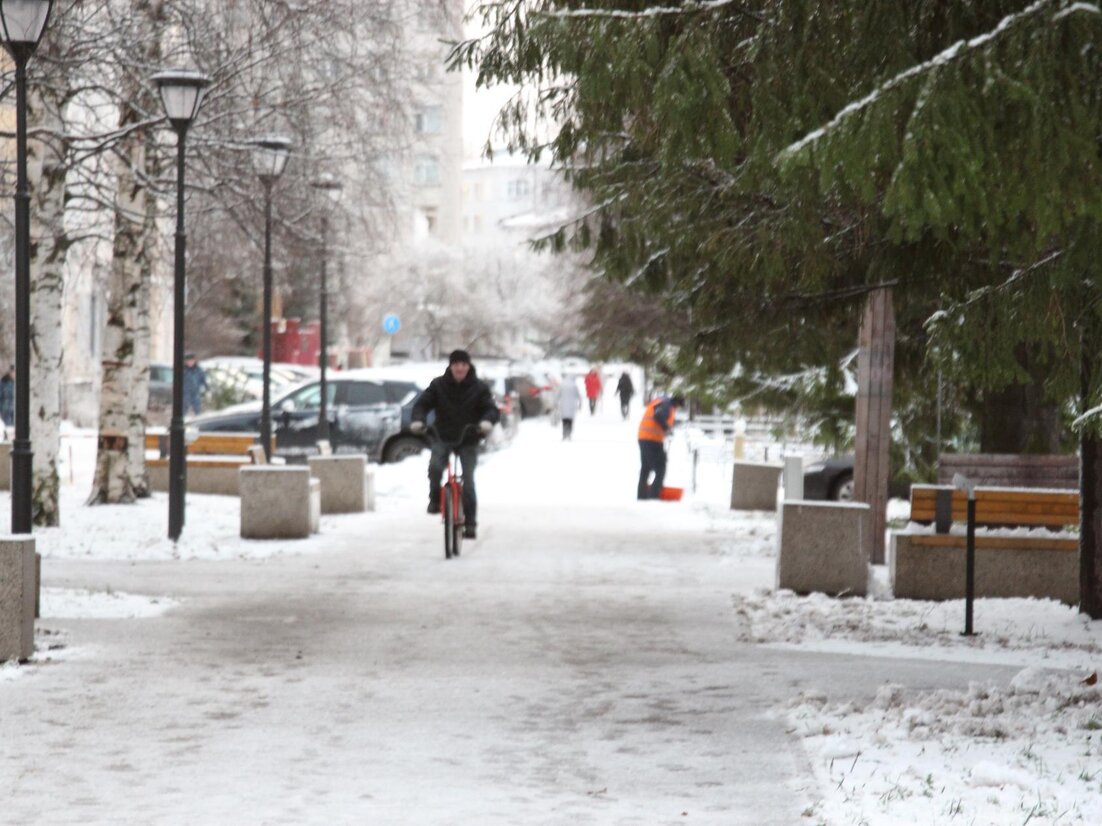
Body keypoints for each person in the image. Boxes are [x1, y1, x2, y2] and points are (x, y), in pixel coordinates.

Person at [409, 349, 500, 539]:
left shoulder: (479, 387)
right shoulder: (438, 385)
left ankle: (470, 523)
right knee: (435, 467)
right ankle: (435, 499)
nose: (460, 368)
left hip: (469, 437)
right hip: (443, 435)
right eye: (456, 364)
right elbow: (421, 404)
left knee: (468, 481)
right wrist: (418, 420)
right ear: (450, 366)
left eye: (463, 364)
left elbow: (491, 408)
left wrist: (486, 421)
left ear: (468, 366)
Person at [637, 394, 685, 499]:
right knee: (660, 468)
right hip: (653, 440)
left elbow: (660, 416)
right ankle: (654, 496)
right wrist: (667, 428)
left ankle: (642, 496)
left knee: (646, 467)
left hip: (643, 437)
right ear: (677, 403)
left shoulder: (661, 401)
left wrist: (671, 425)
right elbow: (658, 415)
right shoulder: (667, 404)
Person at [558, 375, 582, 440]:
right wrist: (580, 404)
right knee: (570, 420)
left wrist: (555, 403)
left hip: (563, 404)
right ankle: (569, 433)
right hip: (572, 405)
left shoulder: (562, 385)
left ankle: (564, 433)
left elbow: (558, 394)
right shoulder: (574, 385)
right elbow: (579, 396)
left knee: (564, 420)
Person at [0, 365, 13, 429]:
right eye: (13, 372)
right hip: (6, 411)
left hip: (16, 412)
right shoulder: (4, 382)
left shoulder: (18, 383)